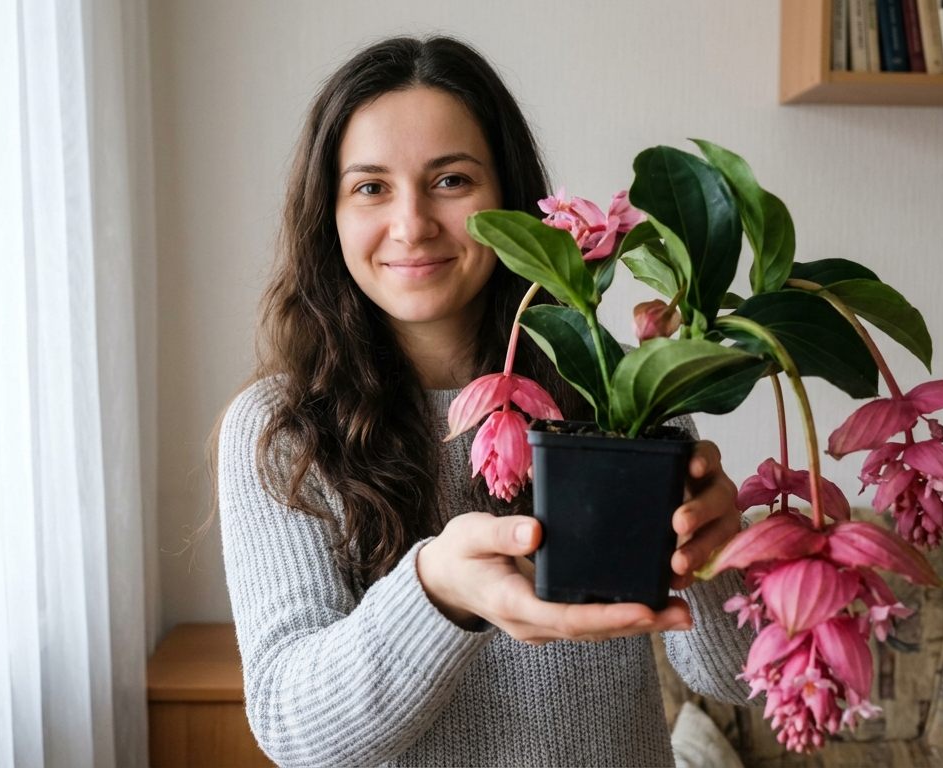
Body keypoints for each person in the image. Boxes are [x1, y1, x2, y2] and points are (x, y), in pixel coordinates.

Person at [216, 35, 755, 767]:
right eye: (371, 187)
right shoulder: (284, 428)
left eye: (451, 180)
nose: (412, 224)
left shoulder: (618, 391)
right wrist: (437, 589)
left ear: (510, 197)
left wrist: (719, 553)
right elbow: (295, 730)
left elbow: (738, 679)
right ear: (328, 215)